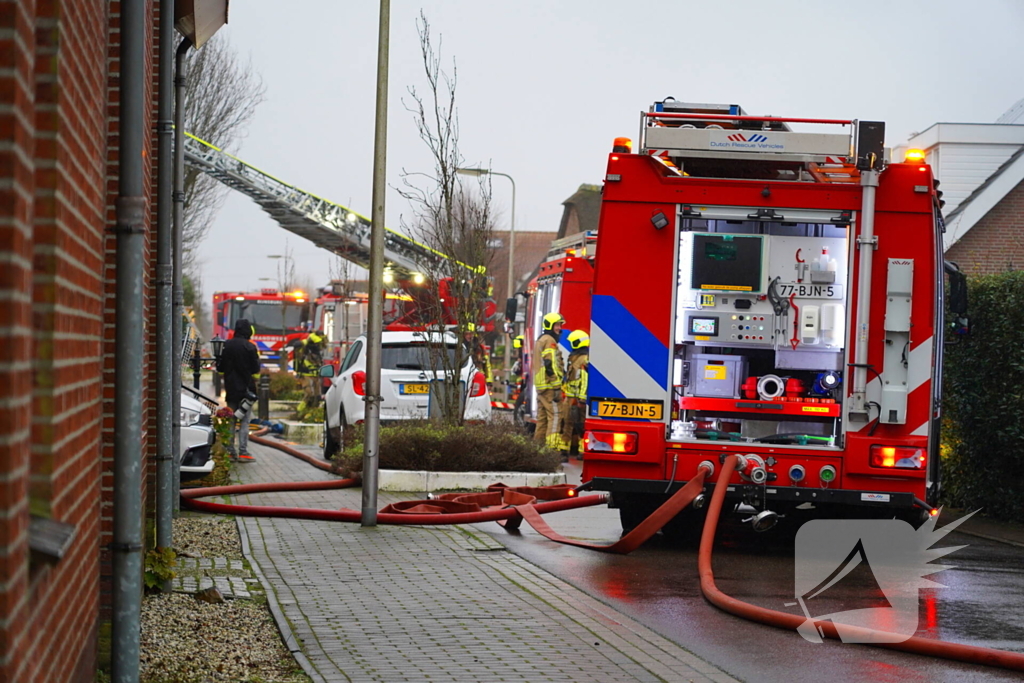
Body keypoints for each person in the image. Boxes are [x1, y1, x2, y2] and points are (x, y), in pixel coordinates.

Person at [217, 318, 261, 461]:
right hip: (246, 390)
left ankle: (230, 452)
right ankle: (243, 452)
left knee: (231, 420)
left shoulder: (227, 345)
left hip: (231, 389)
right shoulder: (250, 347)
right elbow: (255, 369)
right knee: (244, 421)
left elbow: (220, 367)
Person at [531, 312, 565, 451]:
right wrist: (556, 385)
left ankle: (537, 450)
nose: (559, 328)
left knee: (542, 419)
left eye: (560, 325)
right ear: (550, 325)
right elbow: (550, 364)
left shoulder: (541, 339)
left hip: (542, 387)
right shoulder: (549, 341)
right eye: (557, 325)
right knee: (555, 416)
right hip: (550, 387)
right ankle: (552, 450)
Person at [560, 330, 590, 461]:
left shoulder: (585, 359)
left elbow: (585, 380)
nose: (571, 344)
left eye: (573, 342)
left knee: (580, 425)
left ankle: (582, 452)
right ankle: (563, 451)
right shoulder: (573, 358)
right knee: (567, 423)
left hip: (578, 399)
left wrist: (582, 399)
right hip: (570, 397)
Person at [295, 329, 326, 406]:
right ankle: (301, 409)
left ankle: (312, 409)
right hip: (306, 373)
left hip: (316, 374)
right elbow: (297, 345)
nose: (318, 346)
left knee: (317, 396)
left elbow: (325, 345)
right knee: (309, 394)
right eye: (317, 344)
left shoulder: (320, 345)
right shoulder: (306, 344)